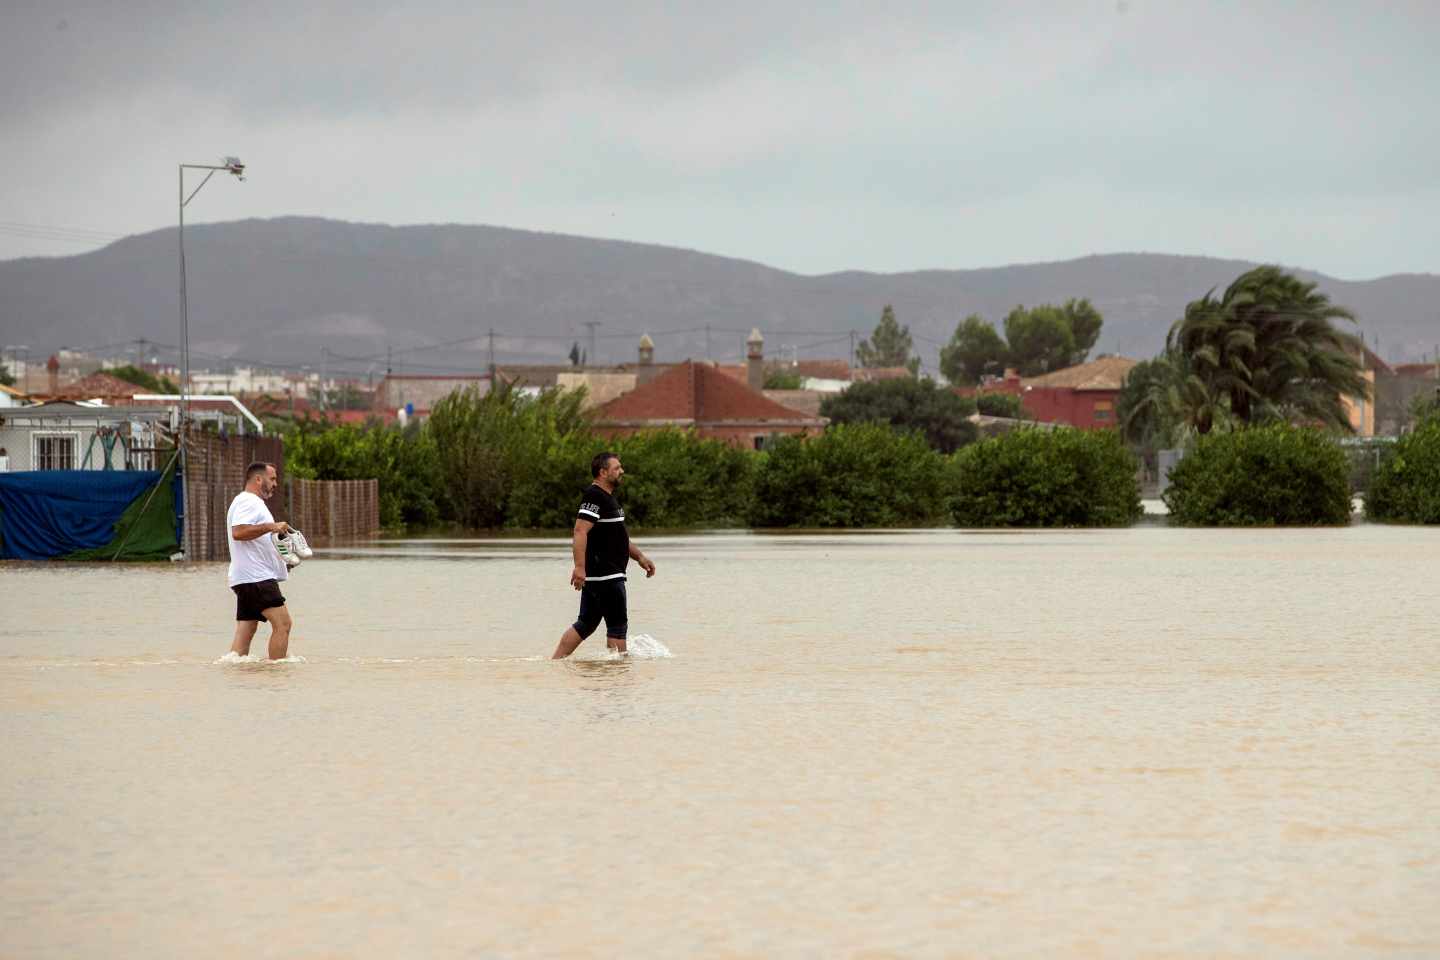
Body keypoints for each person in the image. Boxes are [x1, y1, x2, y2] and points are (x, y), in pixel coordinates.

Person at [551, 451, 656, 659]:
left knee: (586, 624)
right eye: (617, 468)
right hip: (607, 576)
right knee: (617, 629)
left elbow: (618, 538)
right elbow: (580, 530)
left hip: (602, 576)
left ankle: (555, 663)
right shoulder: (595, 496)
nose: (621, 471)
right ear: (602, 472)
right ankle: (617, 680)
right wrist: (580, 567)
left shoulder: (608, 499)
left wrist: (640, 557)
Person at [226, 461, 294, 660]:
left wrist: (282, 562)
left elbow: (256, 542)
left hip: (246, 577)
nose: (275, 484)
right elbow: (238, 532)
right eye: (272, 479)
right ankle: (276, 673)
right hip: (256, 578)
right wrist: (271, 526)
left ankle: (235, 677)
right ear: (258, 479)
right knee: (283, 624)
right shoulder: (249, 501)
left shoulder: (246, 502)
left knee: (246, 629)